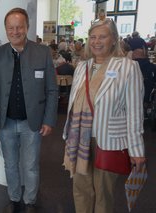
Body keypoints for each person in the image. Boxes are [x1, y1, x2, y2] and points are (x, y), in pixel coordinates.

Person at [62, 18, 146, 213]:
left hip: (108, 141)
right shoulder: (82, 67)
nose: (96, 42)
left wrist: (136, 149)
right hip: (79, 140)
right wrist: (67, 134)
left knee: (103, 195)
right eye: (93, 37)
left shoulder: (127, 68)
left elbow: (134, 112)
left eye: (102, 37)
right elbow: (73, 104)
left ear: (114, 39)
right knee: (80, 190)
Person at [0, 8, 58, 213]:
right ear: (6, 29)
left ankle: (30, 201)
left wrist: (49, 120)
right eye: (11, 27)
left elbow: (52, 90)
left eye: (20, 27)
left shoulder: (42, 52)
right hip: (6, 122)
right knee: (10, 164)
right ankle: (14, 198)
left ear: (27, 27)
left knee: (30, 165)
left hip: (33, 122)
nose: (16, 31)